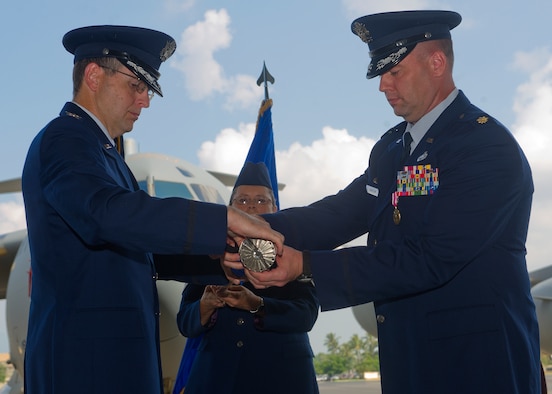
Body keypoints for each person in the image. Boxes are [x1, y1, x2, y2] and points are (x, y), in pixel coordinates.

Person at [224, 10, 543, 394]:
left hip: (477, 361)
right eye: (380, 75)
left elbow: (431, 257)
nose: (383, 86)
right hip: (409, 359)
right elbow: (339, 214)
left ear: (437, 63)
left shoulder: (484, 146)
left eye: (395, 72)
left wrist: (305, 265)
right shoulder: (392, 148)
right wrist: (246, 226)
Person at [21, 26, 283, 394]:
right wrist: (221, 218)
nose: (145, 101)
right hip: (85, 366)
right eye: (136, 86)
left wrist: (216, 260)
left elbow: (134, 247)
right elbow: (106, 215)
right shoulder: (66, 139)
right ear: (94, 75)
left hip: (112, 363)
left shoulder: (103, 153)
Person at [176, 162, 319, 394]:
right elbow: (184, 322)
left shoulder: (292, 254)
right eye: (242, 200)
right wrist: (205, 306)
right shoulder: (211, 254)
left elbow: (306, 315)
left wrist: (258, 305)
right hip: (216, 378)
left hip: (282, 377)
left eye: (261, 200)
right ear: (230, 209)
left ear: (275, 207)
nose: (251, 205)